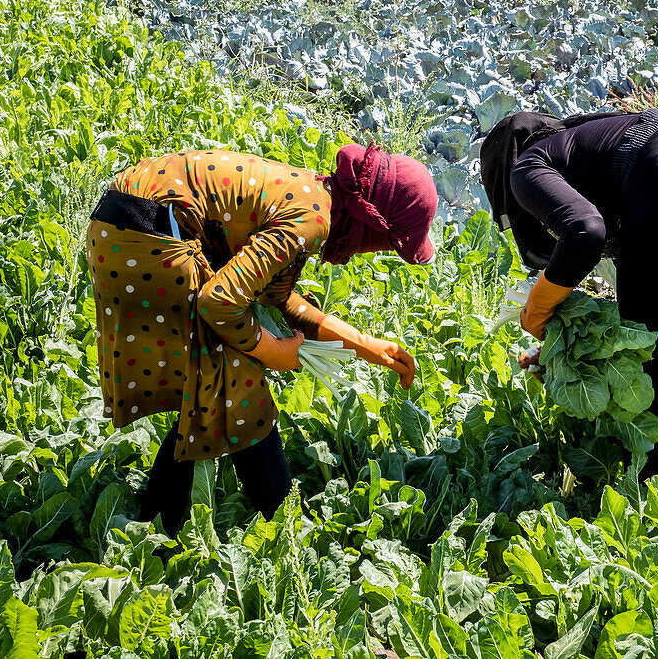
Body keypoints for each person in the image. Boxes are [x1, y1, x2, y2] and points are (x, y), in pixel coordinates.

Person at [86, 143, 437, 533]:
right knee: (234, 378)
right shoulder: (312, 221)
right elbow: (219, 302)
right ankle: (281, 522)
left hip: (127, 220)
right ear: (371, 222)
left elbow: (274, 297)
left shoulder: (315, 195)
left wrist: (365, 344)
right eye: (388, 242)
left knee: (214, 381)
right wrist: (274, 353)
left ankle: (156, 521)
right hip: (144, 233)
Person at [480, 109, 658, 480]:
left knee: (646, 360)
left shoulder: (526, 167)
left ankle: (644, 501)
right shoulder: (580, 144)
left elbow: (585, 230)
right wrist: (561, 349)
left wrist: (537, 306)